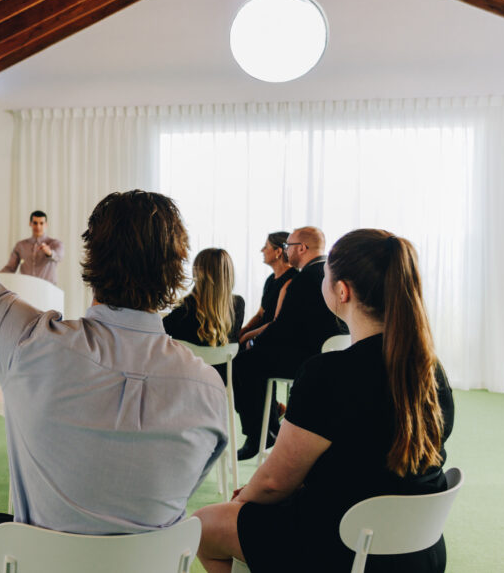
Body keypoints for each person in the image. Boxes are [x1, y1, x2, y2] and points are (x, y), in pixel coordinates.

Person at [0, 103, 227, 573]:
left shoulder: (28, 341)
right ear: (176, 274)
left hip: (41, 564)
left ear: (90, 264)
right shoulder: (209, 390)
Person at [194, 229, 455, 572]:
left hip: (341, 548)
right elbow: (365, 457)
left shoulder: (329, 373)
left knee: (203, 525)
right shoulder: (429, 369)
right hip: (418, 550)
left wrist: (242, 500)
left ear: (342, 291)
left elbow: (273, 484)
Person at [231, 227, 346, 460]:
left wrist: (253, 341)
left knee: (244, 363)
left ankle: (258, 435)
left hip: (307, 359)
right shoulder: (333, 272)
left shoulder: (303, 279)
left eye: (288, 247)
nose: (286, 251)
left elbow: (282, 327)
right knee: (254, 357)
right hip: (334, 355)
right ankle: (271, 422)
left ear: (302, 248)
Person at [162, 248, 245, 349]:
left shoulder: (185, 307)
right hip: (223, 365)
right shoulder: (238, 304)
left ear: (198, 274)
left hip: (190, 365)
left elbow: (161, 330)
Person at [236, 232, 297, 348]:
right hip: (260, 334)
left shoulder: (292, 280)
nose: (262, 250)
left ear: (278, 252)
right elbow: (260, 314)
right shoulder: (270, 279)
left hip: (273, 339)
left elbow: (276, 323)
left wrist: (246, 336)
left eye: (266, 246)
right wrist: (244, 329)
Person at [0, 210, 64, 285]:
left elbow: (59, 257)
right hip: (26, 288)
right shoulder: (20, 245)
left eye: (41, 223)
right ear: (30, 224)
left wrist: (49, 253)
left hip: (47, 290)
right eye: (35, 223)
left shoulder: (55, 244)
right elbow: (10, 268)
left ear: (46, 224)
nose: (38, 226)